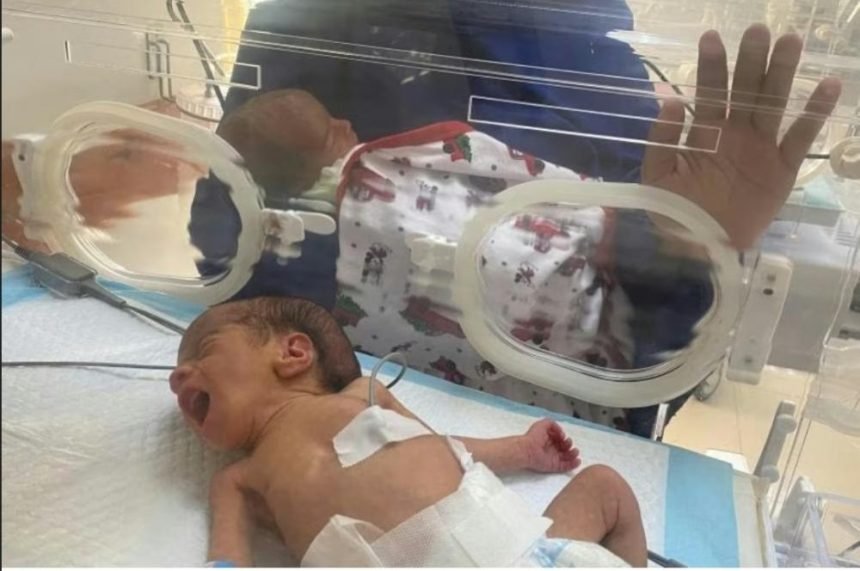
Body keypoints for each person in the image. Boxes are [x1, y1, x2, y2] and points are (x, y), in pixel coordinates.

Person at [193, 25, 842, 434]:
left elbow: (649, 368)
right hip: (423, 405)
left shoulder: (588, 48)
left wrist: (684, 249)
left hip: (572, 387)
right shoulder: (311, 28)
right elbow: (229, 248)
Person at [169, 296, 647, 567]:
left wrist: (521, 450)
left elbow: (445, 451)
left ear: (293, 354)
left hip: (522, 556)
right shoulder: (239, 480)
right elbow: (225, 560)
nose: (177, 379)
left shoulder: (363, 395)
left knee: (604, 486)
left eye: (204, 352)